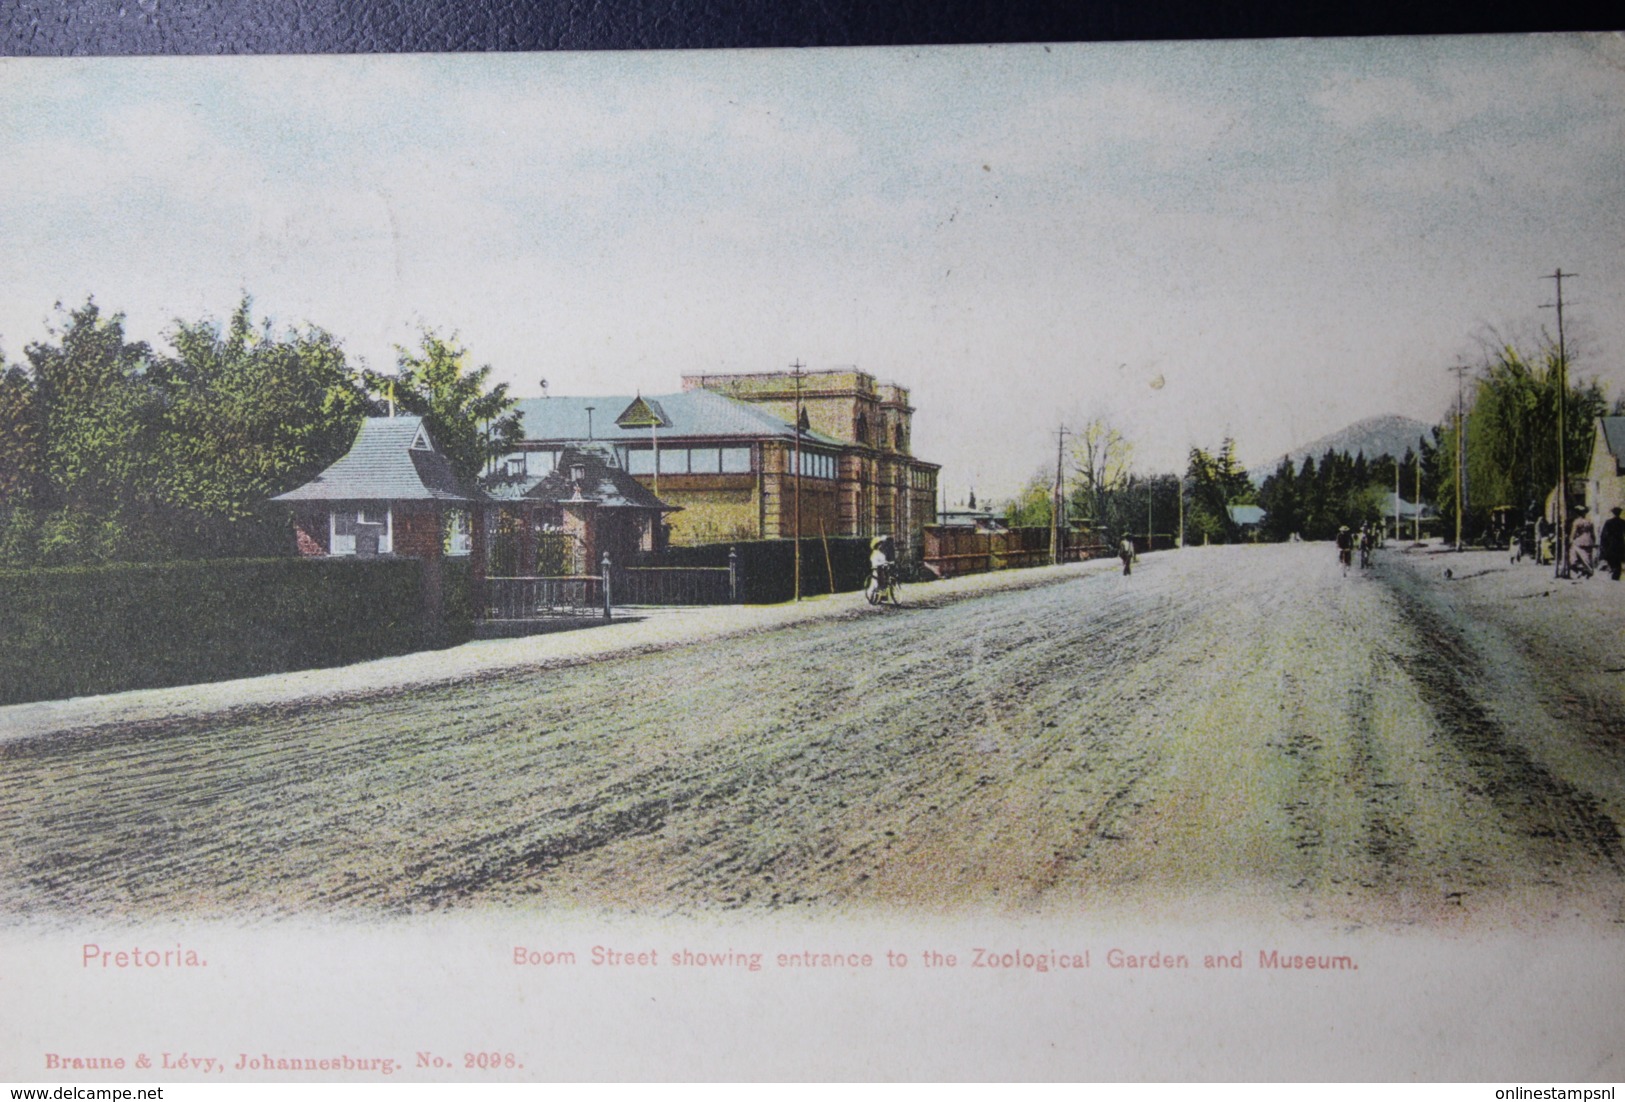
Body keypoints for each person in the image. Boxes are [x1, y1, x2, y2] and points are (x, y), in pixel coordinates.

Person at [1569, 506, 1597, 578]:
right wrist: (1593, 541)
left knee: (1574, 554)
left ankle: (1580, 569)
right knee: (1587, 557)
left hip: (1580, 541)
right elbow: (1593, 533)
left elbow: (1573, 533)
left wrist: (1571, 539)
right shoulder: (1589, 522)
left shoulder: (1577, 522)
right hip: (1589, 540)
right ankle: (1587, 571)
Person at [1600, 506, 1625, 582]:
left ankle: (1614, 572)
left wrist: (1603, 543)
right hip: (1620, 543)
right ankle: (1616, 574)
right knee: (1618, 560)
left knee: (1611, 558)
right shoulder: (1623, 522)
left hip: (1611, 543)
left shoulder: (1608, 522)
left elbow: (1604, 534)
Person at [866, 535, 892, 601]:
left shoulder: (880, 553)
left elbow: (883, 560)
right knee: (875, 584)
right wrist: (882, 564)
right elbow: (875, 562)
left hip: (883, 569)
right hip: (877, 569)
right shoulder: (874, 554)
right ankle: (871, 597)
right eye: (879, 544)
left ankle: (883, 596)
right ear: (876, 545)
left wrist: (888, 562)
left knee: (885, 582)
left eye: (881, 544)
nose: (880, 546)